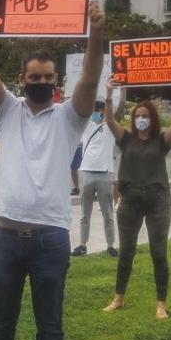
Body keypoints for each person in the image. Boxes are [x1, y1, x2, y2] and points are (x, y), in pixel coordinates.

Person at [0, 0, 107, 340]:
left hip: (50, 238)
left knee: (50, 325)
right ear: (21, 80)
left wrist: (95, 34)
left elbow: (89, 77)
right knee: (1, 322)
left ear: (57, 82)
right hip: (4, 234)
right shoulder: (6, 110)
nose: (42, 83)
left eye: (48, 78)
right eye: (34, 78)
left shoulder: (71, 116)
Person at [102, 81, 171, 320]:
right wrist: (110, 94)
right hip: (130, 199)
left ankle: (161, 304)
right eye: (137, 115)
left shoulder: (161, 141)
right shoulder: (126, 139)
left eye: (145, 115)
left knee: (158, 251)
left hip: (157, 200)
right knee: (126, 251)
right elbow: (109, 121)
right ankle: (118, 298)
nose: (141, 119)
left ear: (152, 118)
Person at [72, 88, 119, 258]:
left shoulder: (110, 127)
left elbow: (116, 110)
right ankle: (83, 244)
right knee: (85, 213)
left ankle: (110, 245)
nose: (95, 114)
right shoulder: (86, 126)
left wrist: (109, 94)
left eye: (98, 111)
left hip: (105, 173)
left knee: (107, 212)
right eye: (93, 111)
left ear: (103, 112)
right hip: (86, 172)